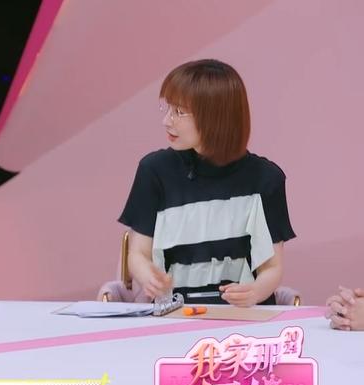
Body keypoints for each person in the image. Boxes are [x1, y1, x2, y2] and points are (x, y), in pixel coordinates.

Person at [118, 59, 294, 308]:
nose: (167, 121)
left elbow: (272, 267)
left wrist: (255, 292)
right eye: (167, 108)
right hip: (176, 313)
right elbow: (138, 253)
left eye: (179, 112)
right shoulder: (154, 171)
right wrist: (148, 276)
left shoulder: (266, 179)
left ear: (215, 118)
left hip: (246, 317)